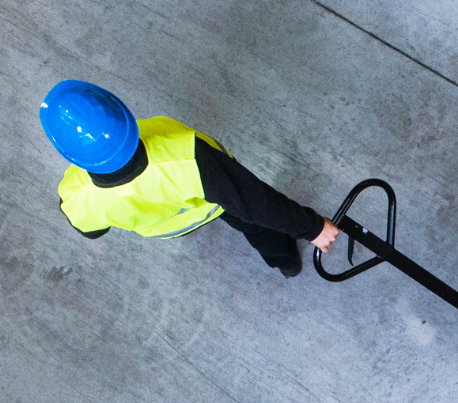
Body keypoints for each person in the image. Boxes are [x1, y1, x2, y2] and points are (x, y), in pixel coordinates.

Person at [41, 80, 341, 276]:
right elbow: (256, 202)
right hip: (214, 204)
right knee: (255, 225)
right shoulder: (187, 159)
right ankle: (285, 260)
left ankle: (285, 264)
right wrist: (312, 228)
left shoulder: (75, 197)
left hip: (170, 226)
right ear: (119, 113)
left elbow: (92, 231)